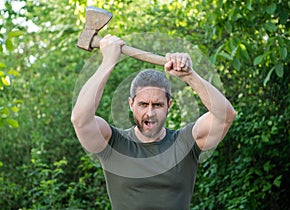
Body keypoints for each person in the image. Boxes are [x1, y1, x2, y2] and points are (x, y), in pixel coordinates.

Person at [71, 34, 236, 210]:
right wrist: (108, 62)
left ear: (169, 105)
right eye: (143, 104)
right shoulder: (113, 143)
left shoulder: (185, 142)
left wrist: (190, 76)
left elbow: (225, 115)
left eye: (157, 105)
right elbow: (80, 119)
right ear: (131, 104)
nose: (150, 113)